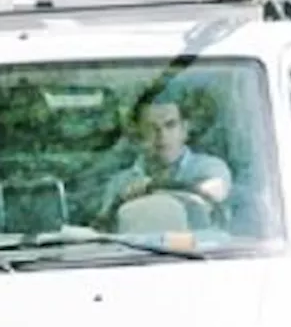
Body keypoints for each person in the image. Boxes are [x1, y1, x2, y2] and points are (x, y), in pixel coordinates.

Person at [96, 89, 233, 227]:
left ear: (184, 129)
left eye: (170, 125)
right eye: (151, 128)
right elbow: (105, 230)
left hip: (200, 247)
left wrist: (152, 188)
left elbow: (216, 191)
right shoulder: (120, 183)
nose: (162, 135)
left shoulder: (209, 168)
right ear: (138, 134)